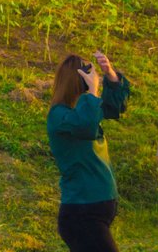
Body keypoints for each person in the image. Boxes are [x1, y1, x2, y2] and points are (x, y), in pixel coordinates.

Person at [47, 50, 131, 252]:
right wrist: (93, 91)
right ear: (77, 80)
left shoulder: (84, 110)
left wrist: (109, 73)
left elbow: (113, 107)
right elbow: (86, 126)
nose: (92, 75)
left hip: (93, 210)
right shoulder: (59, 116)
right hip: (81, 214)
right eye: (87, 72)